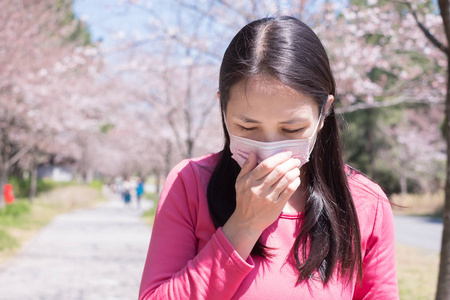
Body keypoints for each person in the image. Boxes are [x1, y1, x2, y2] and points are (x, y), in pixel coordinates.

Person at [139, 16, 398, 299]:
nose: (270, 149)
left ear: (324, 112)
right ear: (223, 109)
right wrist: (243, 226)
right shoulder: (190, 184)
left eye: (292, 129)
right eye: (247, 127)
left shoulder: (364, 202)